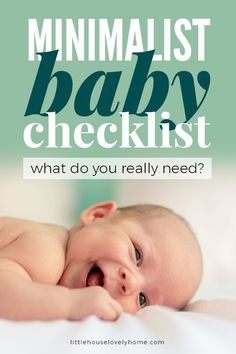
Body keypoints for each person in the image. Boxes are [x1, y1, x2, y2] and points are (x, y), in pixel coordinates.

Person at [0, 201, 202, 321]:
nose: (130, 283)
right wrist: (70, 305)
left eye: (142, 300)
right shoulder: (47, 252)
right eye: (137, 255)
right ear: (98, 216)